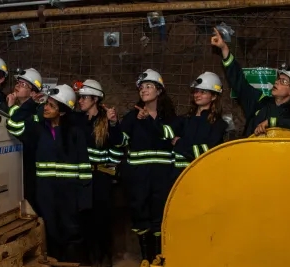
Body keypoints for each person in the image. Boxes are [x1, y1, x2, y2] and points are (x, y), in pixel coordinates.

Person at [6, 84, 92, 264]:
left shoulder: (75, 133)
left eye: (52, 105)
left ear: (62, 111)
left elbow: (84, 167)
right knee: (50, 234)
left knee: (72, 234)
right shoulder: (37, 130)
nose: (46, 107)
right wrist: (30, 102)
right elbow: (12, 124)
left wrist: (84, 200)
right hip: (46, 194)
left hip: (69, 195)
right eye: (46, 104)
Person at [118, 69, 176, 266]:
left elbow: (169, 137)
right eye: (141, 87)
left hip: (162, 177)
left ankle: (160, 259)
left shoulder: (168, 117)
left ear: (159, 90)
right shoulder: (131, 117)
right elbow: (119, 141)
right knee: (140, 216)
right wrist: (111, 125)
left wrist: (149, 120)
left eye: (149, 86)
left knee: (160, 218)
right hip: (138, 178)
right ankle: (145, 259)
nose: (144, 90)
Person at [211, 28, 290, 136]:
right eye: (278, 79)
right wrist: (224, 49)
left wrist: (271, 122)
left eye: (283, 81)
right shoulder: (259, 101)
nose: (277, 82)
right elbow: (239, 82)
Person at [75, 79, 123, 266]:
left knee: (101, 221)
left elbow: (118, 148)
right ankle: (88, 259)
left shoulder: (105, 122)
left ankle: (104, 258)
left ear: (95, 99)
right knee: (84, 221)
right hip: (82, 179)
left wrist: (108, 174)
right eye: (80, 97)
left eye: (84, 97)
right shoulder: (77, 121)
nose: (81, 101)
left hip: (100, 180)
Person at [161, 72, 227, 175]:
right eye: (196, 91)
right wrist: (148, 118)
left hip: (202, 174)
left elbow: (208, 152)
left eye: (203, 92)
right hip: (178, 175)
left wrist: (180, 143)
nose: (197, 95)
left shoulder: (218, 124)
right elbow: (164, 131)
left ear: (213, 96)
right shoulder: (185, 119)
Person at [6, 68, 43, 214]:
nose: (17, 86)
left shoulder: (37, 112)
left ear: (33, 93)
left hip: (32, 168)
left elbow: (14, 127)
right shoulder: (19, 108)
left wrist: (10, 107)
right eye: (18, 82)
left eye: (23, 84)